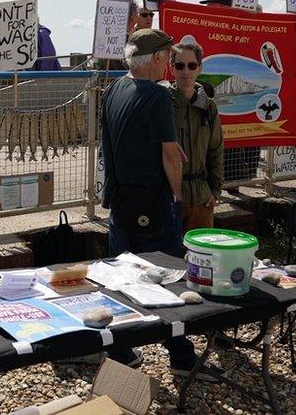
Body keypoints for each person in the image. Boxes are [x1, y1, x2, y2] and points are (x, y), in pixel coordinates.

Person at [100, 28, 226, 381]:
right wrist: (177, 196)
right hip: (154, 204)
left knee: (120, 280)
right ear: (157, 59)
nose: (172, 66)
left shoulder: (113, 90)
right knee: (169, 283)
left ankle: (121, 348)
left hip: (120, 202)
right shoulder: (155, 96)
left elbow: (108, 147)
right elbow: (171, 155)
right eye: (169, 58)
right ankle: (182, 359)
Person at [199, 0, 261, 191]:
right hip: (209, 94)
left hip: (227, 98)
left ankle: (232, 181)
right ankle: (220, 181)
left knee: (231, 139)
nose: (208, 9)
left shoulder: (237, 30)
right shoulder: (206, 27)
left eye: (212, 6)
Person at [169, 42, 224, 230]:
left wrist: (215, 191)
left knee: (202, 257)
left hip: (202, 201)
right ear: (171, 68)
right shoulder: (162, 105)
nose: (186, 71)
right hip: (171, 201)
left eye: (192, 65)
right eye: (179, 65)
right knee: (169, 259)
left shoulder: (209, 107)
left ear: (199, 68)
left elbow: (215, 150)